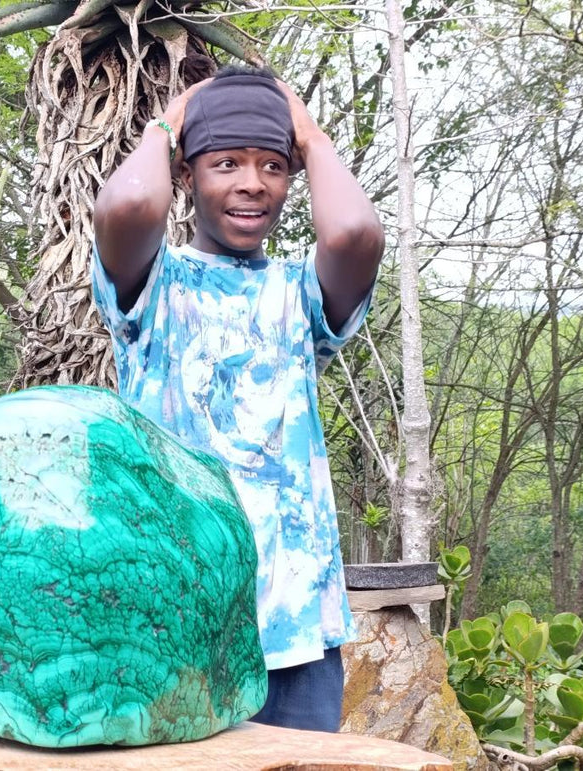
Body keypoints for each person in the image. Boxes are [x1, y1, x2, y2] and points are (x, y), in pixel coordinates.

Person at [89, 65, 385, 732]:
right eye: (226, 163)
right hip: (172, 623)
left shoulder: (299, 295)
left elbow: (354, 236)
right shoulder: (152, 287)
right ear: (186, 176)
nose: (253, 182)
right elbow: (128, 208)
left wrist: (309, 137)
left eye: (273, 166)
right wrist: (165, 126)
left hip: (295, 629)